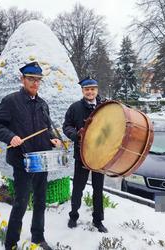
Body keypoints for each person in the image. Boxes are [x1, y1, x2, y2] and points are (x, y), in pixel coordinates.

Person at [0, 61, 61, 250]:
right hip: (22, 161)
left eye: (38, 80)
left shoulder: (43, 104)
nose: (35, 83)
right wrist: (11, 137)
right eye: (31, 79)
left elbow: (46, 129)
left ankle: (38, 237)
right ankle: (11, 243)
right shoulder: (11, 101)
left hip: (41, 160)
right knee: (20, 203)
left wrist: (52, 139)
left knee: (40, 201)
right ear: (22, 79)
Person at [62, 77, 108, 233]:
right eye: (87, 89)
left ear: (97, 90)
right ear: (82, 91)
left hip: (100, 155)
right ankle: (73, 216)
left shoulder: (105, 107)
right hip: (82, 154)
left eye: (93, 89)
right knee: (78, 188)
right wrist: (76, 135)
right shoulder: (75, 108)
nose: (90, 92)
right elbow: (66, 126)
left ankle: (98, 220)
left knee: (98, 189)